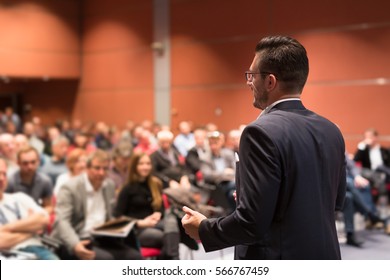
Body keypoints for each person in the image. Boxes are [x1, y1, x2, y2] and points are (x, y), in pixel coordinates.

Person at [181, 35, 346, 260]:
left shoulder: (259, 132)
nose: (249, 82)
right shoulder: (331, 130)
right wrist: (260, 196)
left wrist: (203, 229)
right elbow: (335, 200)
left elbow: (252, 224)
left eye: (252, 75)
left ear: (270, 81)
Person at [50, 149, 141, 260]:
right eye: (97, 168)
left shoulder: (109, 185)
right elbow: (62, 221)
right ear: (87, 168)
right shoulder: (70, 187)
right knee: (106, 259)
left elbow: (111, 217)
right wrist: (75, 244)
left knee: (134, 257)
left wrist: (129, 225)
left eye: (105, 169)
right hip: (76, 238)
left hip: (101, 237)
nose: (101, 173)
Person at [114, 153, 181, 259]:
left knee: (171, 221)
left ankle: (170, 261)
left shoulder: (156, 184)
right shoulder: (127, 188)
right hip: (138, 229)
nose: (145, 167)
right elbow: (118, 217)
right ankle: (173, 261)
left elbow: (162, 209)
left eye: (148, 164)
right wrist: (140, 223)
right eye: (141, 164)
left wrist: (157, 214)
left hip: (155, 223)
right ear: (134, 166)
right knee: (169, 238)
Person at [0, 158, 58, 260]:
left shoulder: (20, 197)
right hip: (8, 254)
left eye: (4, 174)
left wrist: (7, 228)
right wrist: (31, 229)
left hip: (36, 249)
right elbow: (1, 242)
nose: (1, 178)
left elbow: (44, 219)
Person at [6, 146, 54, 214]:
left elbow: (49, 206)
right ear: (18, 163)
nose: (30, 167)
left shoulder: (45, 181)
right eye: (25, 163)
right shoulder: (9, 181)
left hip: (37, 217)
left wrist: (38, 215)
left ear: (38, 162)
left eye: (33, 162)